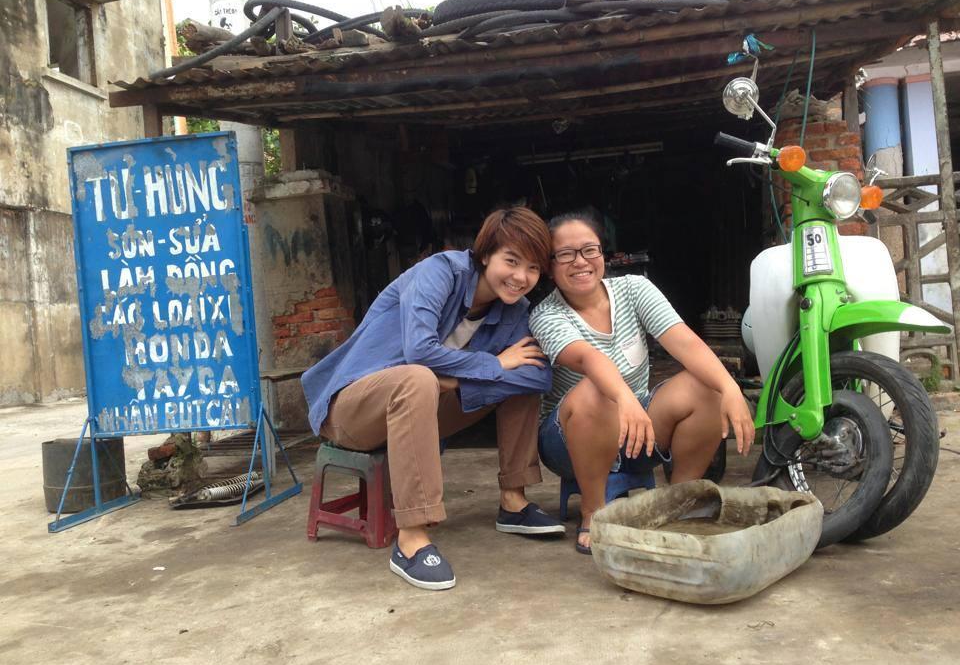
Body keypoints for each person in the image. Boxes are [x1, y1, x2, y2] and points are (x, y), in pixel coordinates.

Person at [301, 207, 565, 591]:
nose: (521, 277)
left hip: (423, 404)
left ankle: (513, 501)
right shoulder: (441, 272)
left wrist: (453, 383)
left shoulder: (515, 310)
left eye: (533, 268)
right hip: (352, 406)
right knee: (420, 378)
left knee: (517, 381)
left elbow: (538, 373)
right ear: (485, 254)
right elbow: (419, 349)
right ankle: (411, 538)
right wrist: (491, 364)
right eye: (511, 261)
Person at [529, 211, 755, 554]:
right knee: (596, 389)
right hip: (569, 441)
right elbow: (589, 359)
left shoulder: (634, 289)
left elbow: (684, 342)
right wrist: (625, 399)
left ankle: (679, 501)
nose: (580, 262)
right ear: (550, 266)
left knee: (707, 388)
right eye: (565, 254)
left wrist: (730, 388)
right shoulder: (546, 315)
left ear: (602, 253)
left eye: (589, 250)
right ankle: (593, 512)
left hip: (637, 431)